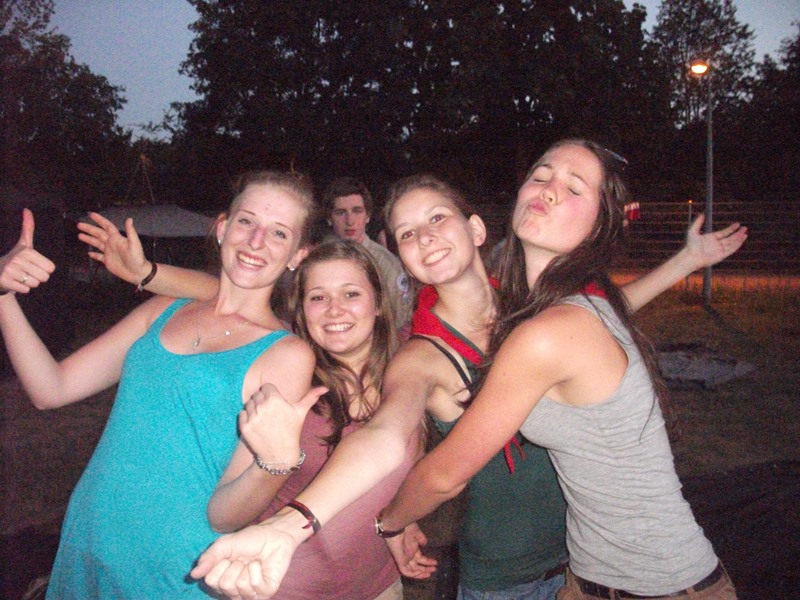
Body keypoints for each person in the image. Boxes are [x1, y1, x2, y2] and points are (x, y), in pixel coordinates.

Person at [189, 166, 746, 600]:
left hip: (584, 560)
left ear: (476, 229)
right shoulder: (420, 356)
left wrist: (686, 261)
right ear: (402, 258)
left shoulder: (529, 305)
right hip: (508, 577)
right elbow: (384, 435)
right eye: (408, 233)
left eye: (438, 218)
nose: (426, 237)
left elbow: (605, 317)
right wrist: (299, 524)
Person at [376, 140, 739, 598]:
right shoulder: (563, 308)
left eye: (574, 187)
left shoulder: (547, 331)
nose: (549, 189)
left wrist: (389, 523)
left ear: (598, 226)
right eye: (542, 175)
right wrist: (687, 261)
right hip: (588, 579)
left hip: (658, 586)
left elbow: (445, 475)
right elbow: (387, 429)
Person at [0, 170, 318, 598]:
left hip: (173, 567)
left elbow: (225, 516)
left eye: (279, 233)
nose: (256, 241)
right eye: (246, 221)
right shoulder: (164, 309)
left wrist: (274, 464)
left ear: (297, 255)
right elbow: (50, 389)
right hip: (90, 536)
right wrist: (3, 295)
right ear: (222, 228)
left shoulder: (286, 354)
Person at [78, 221, 417, 599]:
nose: (335, 309)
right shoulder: (285, 378)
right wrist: (147, 273)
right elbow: (220, 295)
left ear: (379, 303)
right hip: (285, 584)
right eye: (317, 297)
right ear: (301, 312)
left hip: (379, 586)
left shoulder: (412, 367)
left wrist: (403, 515)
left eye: (351, 293)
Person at [323, 177, 413, 333]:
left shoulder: (387, 264)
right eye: (341, 213)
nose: (350, 221)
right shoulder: (317, 260)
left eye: (357, 211)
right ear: (329, 219)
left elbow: (399, 322)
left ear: (368, 216)